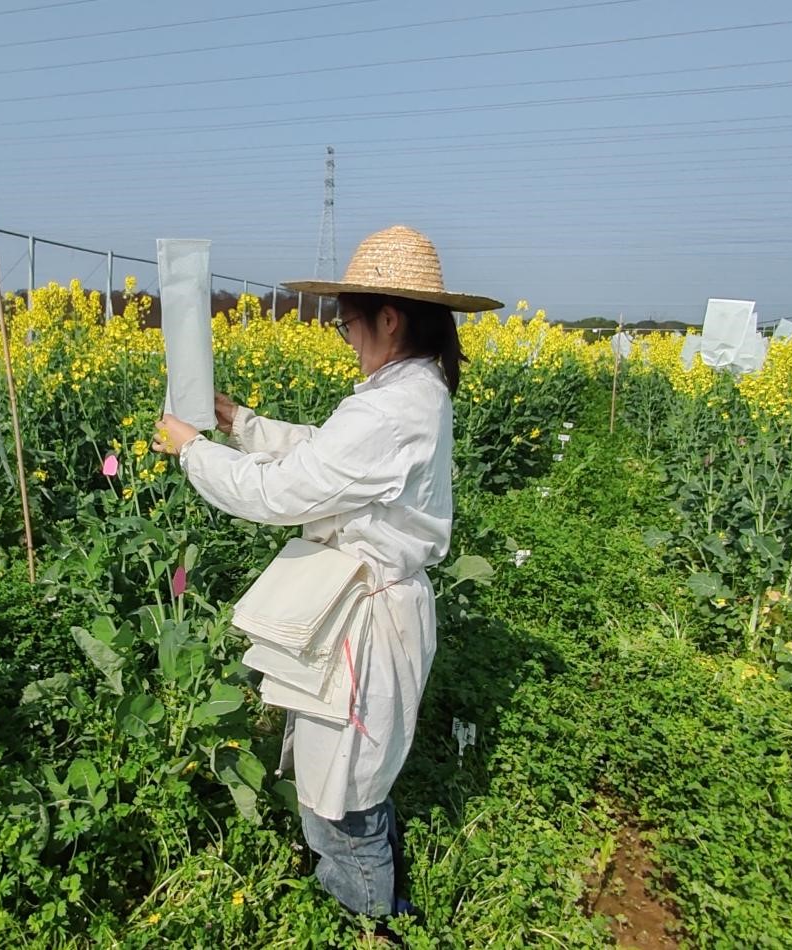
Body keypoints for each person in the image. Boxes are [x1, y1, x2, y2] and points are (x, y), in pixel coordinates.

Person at [150, 225, 502, 921]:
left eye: (347, 323)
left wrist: (193, 452)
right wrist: (241, 423)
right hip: (365, 606)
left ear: (389, 319)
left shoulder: (393, 407)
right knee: (347, 772)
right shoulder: (409, 389)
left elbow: (279, 493)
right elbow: (326, 454)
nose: (345, 338)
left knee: (344, 792)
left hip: (371, 622)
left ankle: (370, 918)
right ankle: (370, 895)